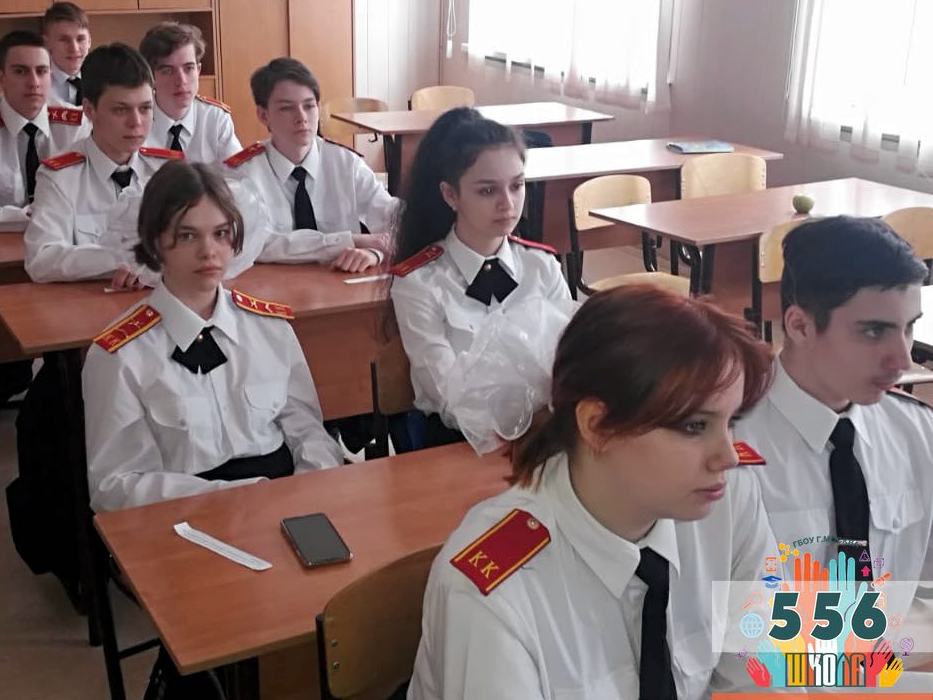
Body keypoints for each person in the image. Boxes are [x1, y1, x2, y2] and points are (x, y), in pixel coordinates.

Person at [409, 284, 778, 699]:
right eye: (695, 426)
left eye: (732, 422)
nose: (728, 456)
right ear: (597, 426)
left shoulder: (729, 503)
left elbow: (763, 677)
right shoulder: (497, 592)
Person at [83, 159, 343, 512]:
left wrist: (307, 489)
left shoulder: (268, 327)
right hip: (183, 513)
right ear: (156, 243)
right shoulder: (122, 354)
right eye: (187, 236)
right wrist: (232, 499)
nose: (208, 251)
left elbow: (307, 430)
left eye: (221, 234)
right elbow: (115, 485)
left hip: (283, 498)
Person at [733, 217, 933, 628]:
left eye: (909, 327)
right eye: (874, 332)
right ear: (800, 326)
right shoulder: (727, 444)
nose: (903, 359)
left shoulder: (917, 432)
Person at [389, 107, 576, 448]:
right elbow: (450, 397)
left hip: (544, 433)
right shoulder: (419, 283)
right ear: (450, 195)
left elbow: (572, 362)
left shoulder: (542, 267)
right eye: (488, 191)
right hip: (459, 443)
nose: (508, 204)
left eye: (517, 186)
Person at [0, 31, 86, 416]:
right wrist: (32, 217)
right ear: (1, 77)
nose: (34, 82)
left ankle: (59, 380)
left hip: (61, 245)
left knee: (69, 342)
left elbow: (91, 193)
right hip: (5, 250)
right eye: (21, 71)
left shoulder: (73, 122)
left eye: (42, 71)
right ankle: (14, 374)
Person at [23, 42, 180, 285]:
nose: (136, 122)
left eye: (145, 108)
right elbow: (41, 260)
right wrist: (129, 258)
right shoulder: (60, 177)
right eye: (120, 110)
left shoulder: (167, 170)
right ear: (89, 109)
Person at [224, 57, 396, 272]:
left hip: (341, 281)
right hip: (270, 284)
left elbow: (395, 222)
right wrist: (351, 240)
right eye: (287, 108)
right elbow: (256, 243)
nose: (302, 117)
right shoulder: (243, 173)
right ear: (263, 115)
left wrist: (375, 253)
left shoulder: (345, 163)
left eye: (309, 106)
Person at [139, 21, 242, 163]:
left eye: (188, 68)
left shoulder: (215, 117)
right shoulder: (137, 121)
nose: (181, 81)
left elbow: (239, 173)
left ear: (198, 70)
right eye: (168, 71)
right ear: (150, 77)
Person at [42, 2, 91, 108]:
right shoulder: (38, 87)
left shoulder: (105, 81)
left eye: (80, 39)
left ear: (89, 41)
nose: (74, 48)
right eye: (64, 40)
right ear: (47, 43)